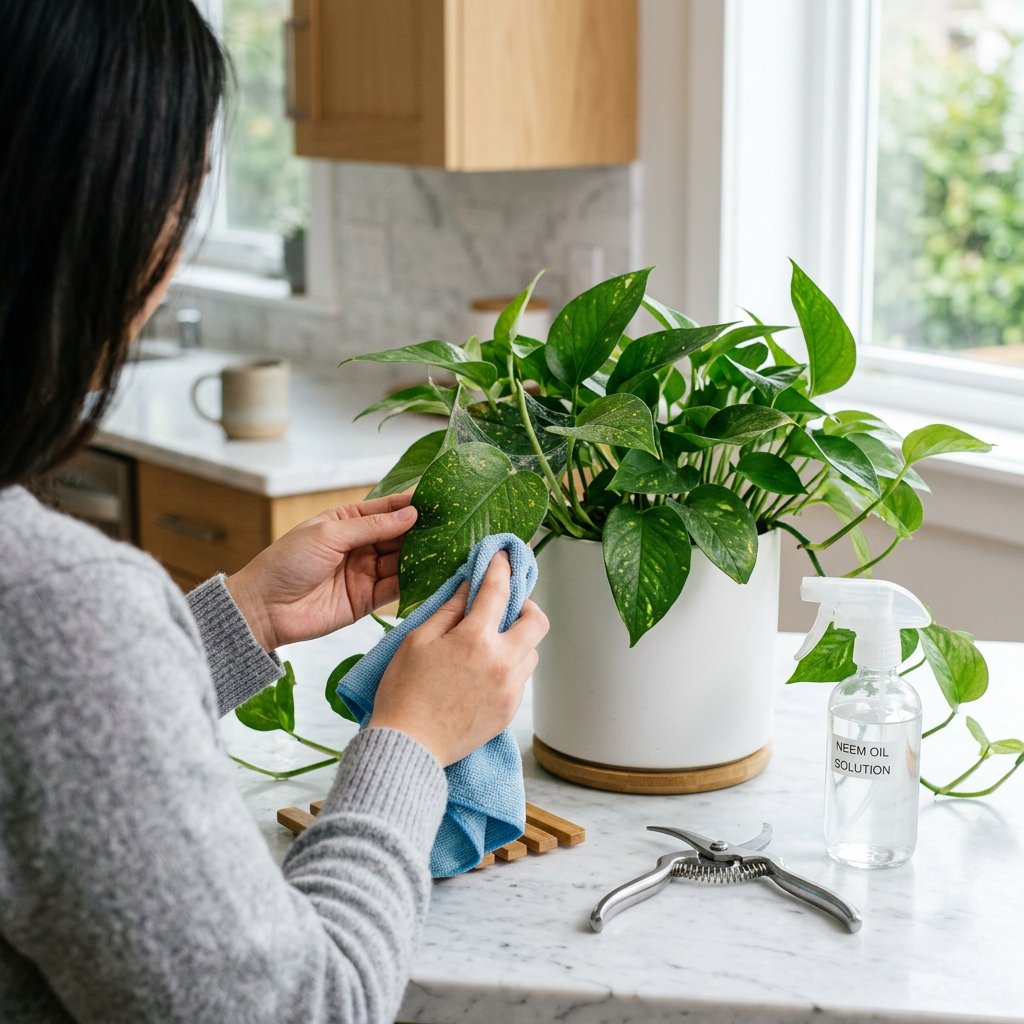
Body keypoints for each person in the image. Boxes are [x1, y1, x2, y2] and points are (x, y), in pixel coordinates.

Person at [0, 3, 549, 1022]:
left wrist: (235, 619)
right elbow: (303, 1006)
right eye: (178, 196)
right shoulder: (55, 605)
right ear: (90, 212)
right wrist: (413, 739)